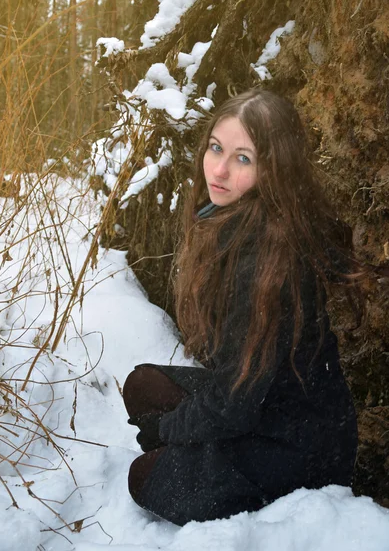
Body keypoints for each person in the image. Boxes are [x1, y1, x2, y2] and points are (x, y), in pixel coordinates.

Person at [122, 88, 369, 526]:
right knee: (142, 386)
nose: (218, 169)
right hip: (261, 404)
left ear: (272, 170)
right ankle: (200, 457)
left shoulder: (265, 261)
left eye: (243, 159)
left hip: (299, 448)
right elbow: (236, 386)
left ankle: (254, 487)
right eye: (216, 148)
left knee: (142, 478)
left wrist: (170, 430)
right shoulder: (236, 217)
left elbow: (233, 407)